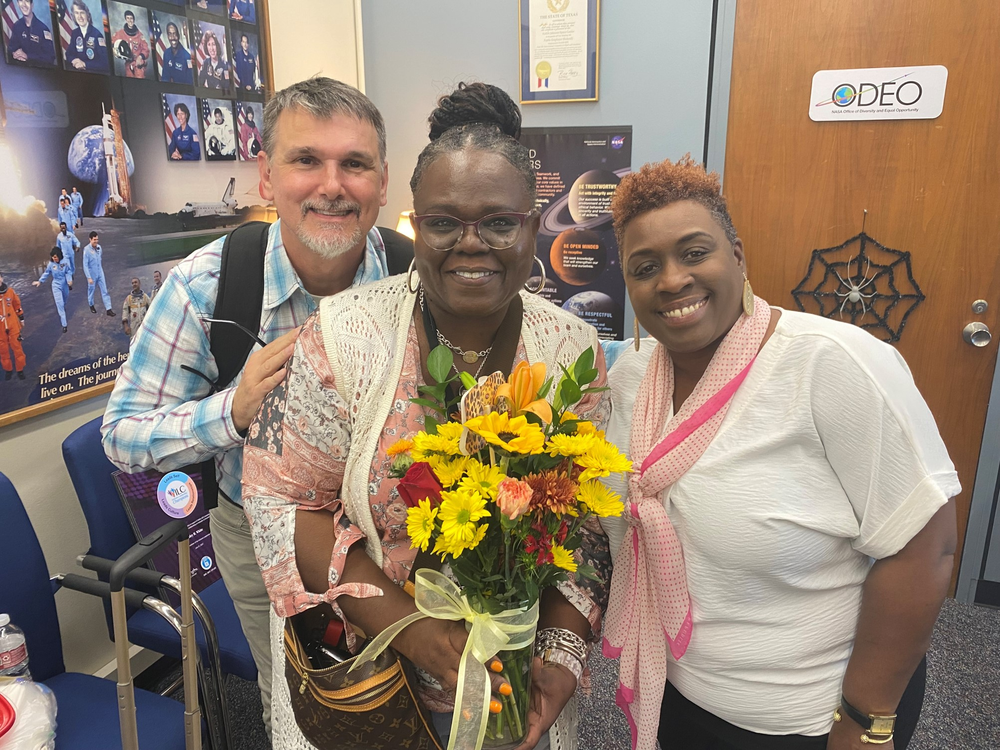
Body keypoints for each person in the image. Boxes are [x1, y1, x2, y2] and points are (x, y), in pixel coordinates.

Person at [242, 81, 611, 750]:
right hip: (376, 680)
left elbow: (582, 522)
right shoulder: (346, 335)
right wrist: (414, 630)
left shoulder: (569, 351)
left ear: (531, 226)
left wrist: (561, 657)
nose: (471, 244)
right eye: (443, 222)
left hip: (514, 684)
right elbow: (283, 501)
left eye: (499, 222)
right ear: (416, 222)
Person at [598, 156, 960, 750]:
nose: (671, 280)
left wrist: (866, 723)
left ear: (736, 256)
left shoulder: (831, 363)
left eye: (694, 253)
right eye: (645, 267)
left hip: (809, 717)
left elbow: (927, 547)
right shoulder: (631, 383)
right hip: (678, 693)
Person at [102, 76, 403, 736]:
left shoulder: (417, 280)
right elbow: (121, 435)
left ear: (383, 181)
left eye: (354, 163)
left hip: (396, 535)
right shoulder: (206, 287)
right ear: (267, 177)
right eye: (306, 160)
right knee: (298, 696)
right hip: (260, 538)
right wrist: (231, 412)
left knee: (409, 685)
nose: (332, 185)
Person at [32, 248, 71, 332]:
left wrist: (69, 280)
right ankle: (64, 324)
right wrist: (40, 281)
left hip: (64, 284)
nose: (54, 259)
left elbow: (68, 271)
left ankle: (63, 310)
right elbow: (46, 273)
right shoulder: (51, 264)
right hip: (56, 284)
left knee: (65, 300)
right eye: (53, 257)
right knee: (59, 303)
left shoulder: (65, 261)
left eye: (56, 257)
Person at [7, 0, 56, 66]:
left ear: (32, 5)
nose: (24, 4)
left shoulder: (43, 29)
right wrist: (15, 54)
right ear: (18, 4)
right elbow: (11, 48)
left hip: (37, 72)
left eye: (27, 1)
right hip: (18, 69)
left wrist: (28, 56)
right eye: (21, 1)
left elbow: (50, 57)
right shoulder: (17, 26)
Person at [64, 0, 108, 73]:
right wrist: (74, 60)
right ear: (73, 15)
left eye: (82, 13)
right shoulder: (75, 33)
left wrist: (85, 64)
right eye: (76, 13)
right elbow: (69, 53)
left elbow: (105, 62)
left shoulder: (97, 35)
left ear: (87, 14)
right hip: (77, 73)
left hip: (93, 75)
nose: (80, 16)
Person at [0, 272, 26, 380]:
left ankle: (20, 370)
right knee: (3, 350)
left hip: (13, 325)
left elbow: (17, 305)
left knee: (17, 348)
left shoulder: (10, 292)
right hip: (0, 329)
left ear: (1, 278)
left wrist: (21, 318)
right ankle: (8, 370)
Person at [111, 8, 149, 78]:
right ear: (125, 19)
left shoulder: (139, 35)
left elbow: (146, 49)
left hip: (138, 64)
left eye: (131, 18)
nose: (130, 20)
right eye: (128, 18)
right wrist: (115, 50)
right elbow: (112, 41)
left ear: (134, 20)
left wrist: (140, 57)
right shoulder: (121, 33)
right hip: (128, 64)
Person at [83, 231, 114, 316]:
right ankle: (91, 304)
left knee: (104, 290)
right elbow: (85, 265)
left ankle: (108, 308)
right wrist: (88, 277)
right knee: (91, 290)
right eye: (94, 240)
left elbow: (100, 259)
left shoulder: (99, 248)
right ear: (90, 239)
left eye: (97, 239)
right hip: (92, 273)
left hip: (100, 272)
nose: (96, 241)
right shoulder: (86, 250)